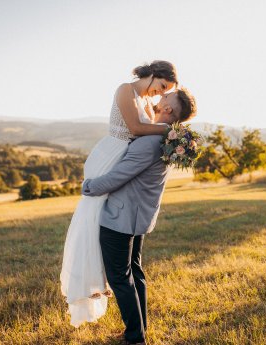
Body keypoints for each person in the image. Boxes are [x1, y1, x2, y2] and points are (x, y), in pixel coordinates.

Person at [60, 60, 179, 327]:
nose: (159, 94)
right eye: (161, 86)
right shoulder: (126, 90)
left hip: (126, 165)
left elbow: (141, 138)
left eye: (165, 92)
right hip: (111, 156)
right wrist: (168, 130)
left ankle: (136, 330)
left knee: (127, 265)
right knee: (92, 220)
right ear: (152, 74)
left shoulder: (149, 103)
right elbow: (136, 129)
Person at [81, 88, 197, 345]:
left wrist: (88, 186)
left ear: (167, 110)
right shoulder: (165, 141)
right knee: (135, 272)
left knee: (120, 277)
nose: (160, 97)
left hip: (121, 219)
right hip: (138, 217)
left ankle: (135, 338)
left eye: (166, 97)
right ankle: (139, 330)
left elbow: (118, 176)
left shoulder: (149, 142)